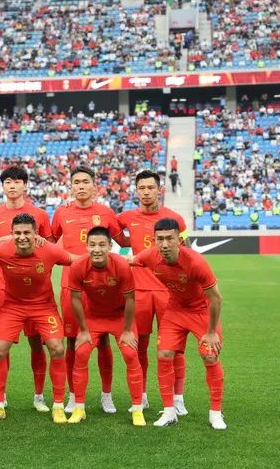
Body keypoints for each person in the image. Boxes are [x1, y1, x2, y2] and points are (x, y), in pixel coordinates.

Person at [129, 218, 226, 430]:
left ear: (179, 240)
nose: (164, 244)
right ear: (154, 240)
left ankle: (216, 413)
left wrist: (211, 332)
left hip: (201, 311)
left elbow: (216, 299)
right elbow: (129, 261)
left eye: (169, 238)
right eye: (160, 239)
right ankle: (169, 411)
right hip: (175, 310)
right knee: (164, 355)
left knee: (210, 356)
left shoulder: (196, 262)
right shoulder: (150, 256)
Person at [0, 213, 79, 424]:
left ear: (36, 233)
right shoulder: (1, 250)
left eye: (27, 232)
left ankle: (57, 406)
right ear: (11, 233)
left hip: (43, 306)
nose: (22, 237)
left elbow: (74, 259)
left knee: (57, 348)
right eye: (17, 233)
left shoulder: (49, 250)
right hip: (12, 306)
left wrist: (109, 258)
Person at [51, 166, 128, 414]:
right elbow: (50, 244)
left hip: (100, 287)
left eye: (85, 181)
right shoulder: (61, 213)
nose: (81, 186)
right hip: (71, 286)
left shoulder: (105, 212)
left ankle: (107, 395)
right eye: (77, 182)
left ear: (94, 185)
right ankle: (74, 396)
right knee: (72, 341)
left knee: (103, 340)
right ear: (71, 186)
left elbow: (125, 241)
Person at [117, 170, 190, 414]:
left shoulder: (175, 219)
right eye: (142, 188)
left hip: (169, 292)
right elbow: (105, 226)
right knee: (140, 346)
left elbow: (188, 252)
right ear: (136, 191)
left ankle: (178, 399)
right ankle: (142, 396)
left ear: (160, 190)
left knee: (175, 348)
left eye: (151, 187)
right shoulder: (127, 217)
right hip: (139, 291)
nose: (146, 192)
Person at [0, 166, 54, 412]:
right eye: (7, 182)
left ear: (25, 185)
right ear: (2, 186)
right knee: (0, 346)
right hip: (3, 288)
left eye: (17, 181)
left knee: (37, 343)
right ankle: (0, 399)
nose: (12, 186)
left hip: (36, 291)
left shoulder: (40, 215)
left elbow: (50, 247)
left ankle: (39, 396)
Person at [67, 227, 145, 426]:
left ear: (110, 246)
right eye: (92, 245)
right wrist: (83, 330)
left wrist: (127, 330)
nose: (97, 249)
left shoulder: (121, 265)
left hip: (119, 316)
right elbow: (75, 299)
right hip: (93, 317)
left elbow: (130, 299)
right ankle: (79, 408)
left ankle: (137, 409)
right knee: (81, 353)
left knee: (130, 354)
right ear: (86, 246)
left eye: (102, 245)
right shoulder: (78, 266)